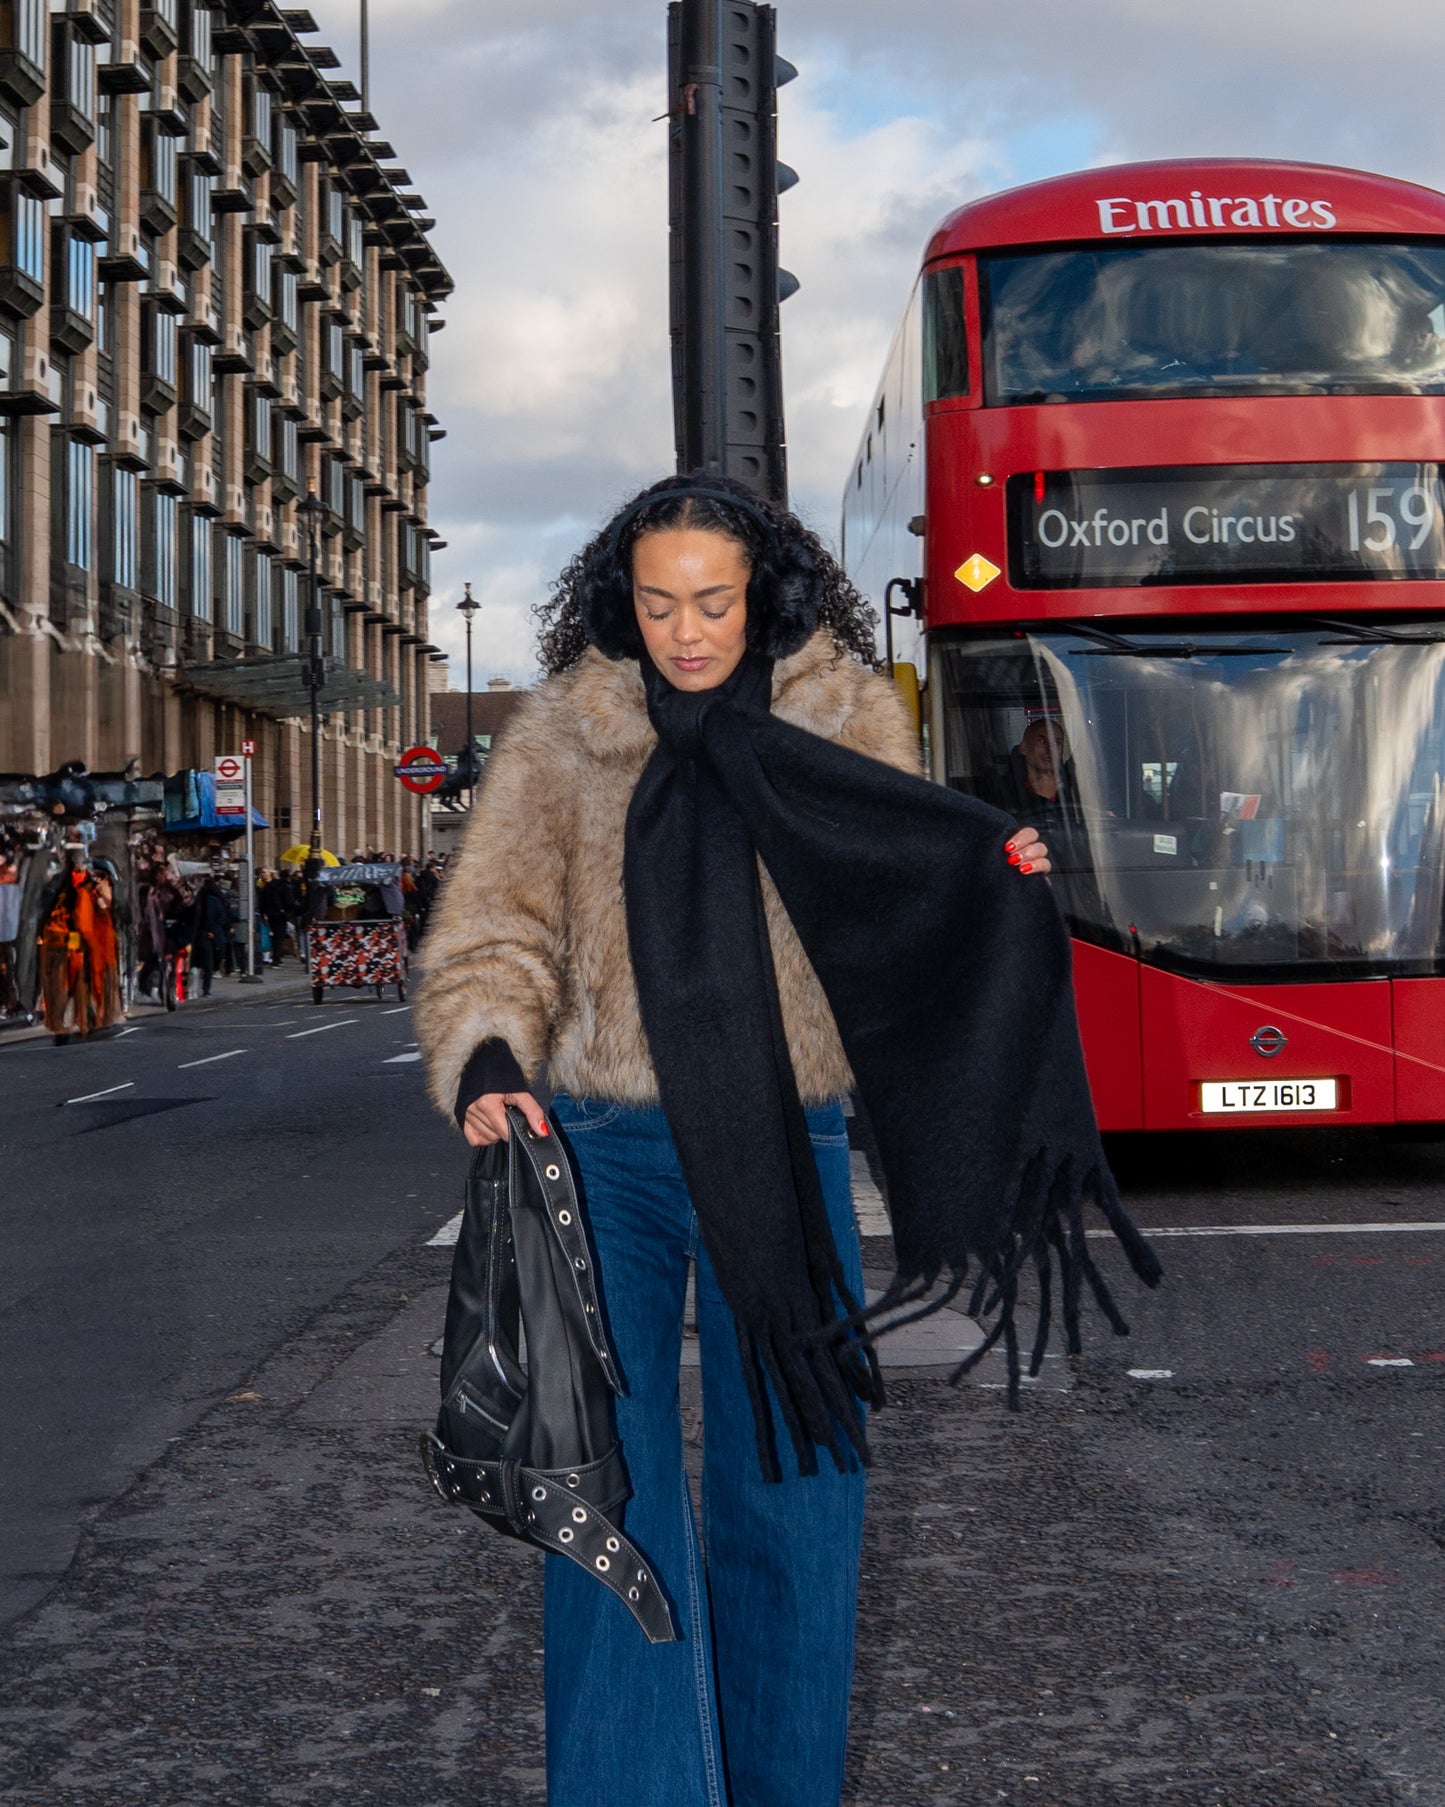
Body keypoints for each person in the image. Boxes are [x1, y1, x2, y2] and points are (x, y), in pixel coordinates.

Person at [411, 475, 1121, 1807]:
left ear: (766, 592)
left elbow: (893, 888)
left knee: (797, 1490)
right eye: (659, 600)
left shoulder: (844, 711)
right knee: (600, 1489)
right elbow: (494, 923)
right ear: (622, 599)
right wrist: (490, 1055)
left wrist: (985, 873)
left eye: (714, 601)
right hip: (600, 1148)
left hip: (783, 1145)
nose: (686, 630)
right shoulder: (564, 730)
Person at [190, 875, 229, 998]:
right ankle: (206, 989)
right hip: (208, 934)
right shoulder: (215, 900)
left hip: (198, 934)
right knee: (208, 963)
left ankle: (192, 987)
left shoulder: (196, 900)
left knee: (194, 962)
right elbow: (221, 918)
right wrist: (214, 931)